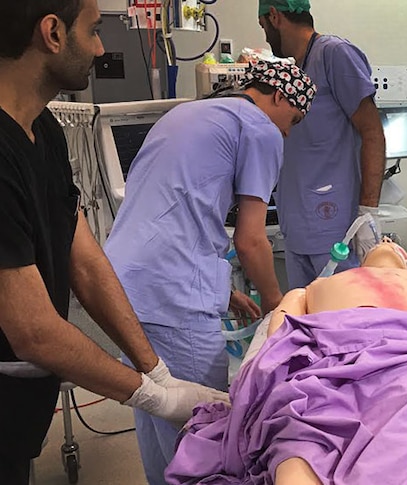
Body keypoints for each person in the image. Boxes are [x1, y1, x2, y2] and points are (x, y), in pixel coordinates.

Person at [0, 2, 228, 483]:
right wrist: (153, 398)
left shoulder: (42, 129)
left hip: (18, 418)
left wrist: (156, 369)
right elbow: (33, 330)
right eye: (94, 30)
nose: (102, 48)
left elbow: (81, 258)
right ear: (53, 33)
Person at [165, 241, 407, 485]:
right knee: (299, 427)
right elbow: (280, 334)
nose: (385, 243)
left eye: (393, 244)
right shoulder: (315, 287)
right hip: (327, 361)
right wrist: (265, 385)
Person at [103, 59, 316, 484]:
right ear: (277, 97)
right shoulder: (260, 129)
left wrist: (223, 291)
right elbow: (251, 241)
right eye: (292, 120)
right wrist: (279, 309)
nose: (288, 133)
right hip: (171, 295)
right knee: (205, 430)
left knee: (155, 408)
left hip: (117, 285)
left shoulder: (187, 113)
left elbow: (177, 212)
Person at [258, 0, 387, 289]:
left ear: (275, 16)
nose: (265, 35)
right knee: (305, 323)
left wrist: (368, 211)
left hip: (335, 229)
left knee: (344, 322)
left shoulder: (334, 55)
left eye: (263, 26)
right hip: (297, 225)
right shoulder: (294, 72)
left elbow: (372, 132)